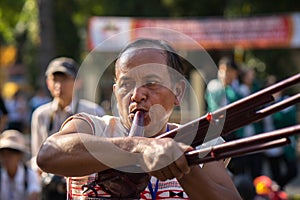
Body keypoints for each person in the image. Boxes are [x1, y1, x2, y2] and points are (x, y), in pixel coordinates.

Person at [36, 39, 242, 199]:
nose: (136, 95)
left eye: (151, 83)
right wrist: (138, 148)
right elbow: (48, 154)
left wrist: (183, 166)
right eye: (126, 84)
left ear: (178, 91)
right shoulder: (93, 127)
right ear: (115, 92)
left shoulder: (199, 143)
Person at [31, 57, 106, 200]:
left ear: (78, 82)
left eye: (64, 79)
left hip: (83, 186)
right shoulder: (40, 115)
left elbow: (100, 155)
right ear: (48, 83)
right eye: (55, 80)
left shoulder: (94, 112)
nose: (59, 85)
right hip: (50, 187)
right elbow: (36, 157)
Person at [262, 76, 298, 190]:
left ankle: (276, 188)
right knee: (275, 171)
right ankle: (276, 193)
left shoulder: (286, 101)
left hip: (284, 141)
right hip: (268, 142)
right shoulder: (263, 104)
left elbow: (290, 119)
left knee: (292, 170)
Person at [0, 129, 41, 200]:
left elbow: (34, 194)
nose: (6, 158)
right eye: (3, 154)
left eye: (11, 154)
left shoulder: (30, 175)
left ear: (19, 155)